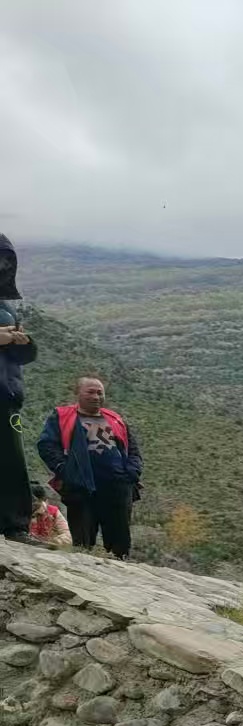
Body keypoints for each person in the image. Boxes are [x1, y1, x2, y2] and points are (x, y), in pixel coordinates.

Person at [38, 376, 143, 559]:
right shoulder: (62, 417)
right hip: (81, 487)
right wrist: (65, 470)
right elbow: (46, 445)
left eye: (100, 393)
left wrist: (132, 472)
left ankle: (119, 570)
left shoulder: (115, 419)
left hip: (117, 487)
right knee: (82, 542)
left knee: (120, 542)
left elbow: (132, 448)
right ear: (77, 393)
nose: (96, 397)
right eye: (90, 392)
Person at [0, 235, 39, 542]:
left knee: (12, 460)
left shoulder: (6, 309)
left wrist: (22, 342)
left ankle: (15, 526)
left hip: (6, 394)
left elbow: (25, 356)